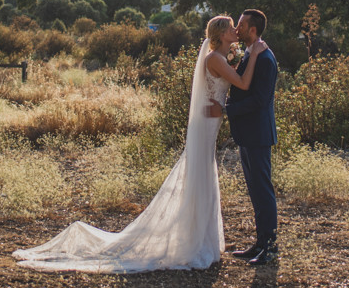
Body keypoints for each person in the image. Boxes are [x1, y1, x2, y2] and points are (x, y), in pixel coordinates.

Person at [13, 15, 261, 272]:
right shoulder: (215, 59)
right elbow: (242, 83)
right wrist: (254, 54)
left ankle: (201, 237)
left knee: (203, 173)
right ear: (221, 34)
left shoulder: (222, 56)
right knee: (200, 174)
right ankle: (196, 241)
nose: (235, 30)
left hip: (211, 120)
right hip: (206, 123)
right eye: (231, 27)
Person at [206, 8, 278, 265]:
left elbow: (260, 100)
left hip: (258, 133)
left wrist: (227, 109)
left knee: (263, 190)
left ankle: (269, 248)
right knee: (255, 191)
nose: (237, 29)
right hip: (249, 134)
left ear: (253, 30)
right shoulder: (251, 54)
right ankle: (260, 244)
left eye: (241, 25)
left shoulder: (266, 59)